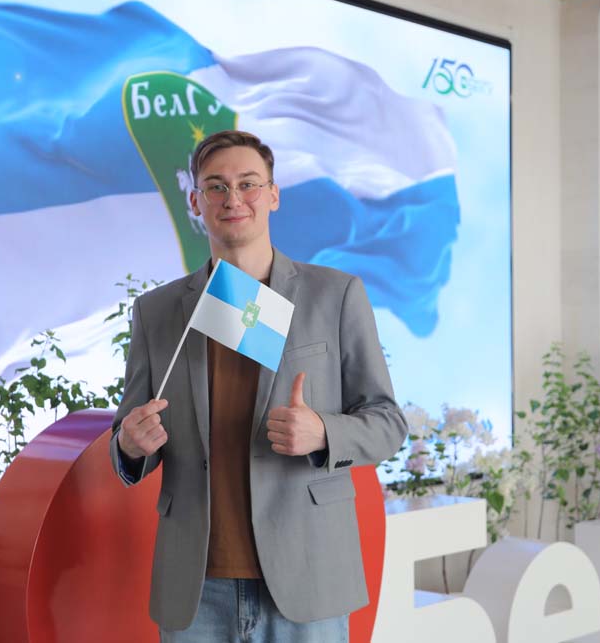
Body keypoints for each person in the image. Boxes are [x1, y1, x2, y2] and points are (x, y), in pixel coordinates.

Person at [109, 130, 406, 642]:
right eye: (216, 186)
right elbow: (129, 433)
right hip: (197, 590)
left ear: (273, 195)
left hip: (306, 578)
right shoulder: (158, 311)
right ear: (195, 202)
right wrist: (131, 445)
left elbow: (387, 423)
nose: (233, 199)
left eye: (248, 183)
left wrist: (323, 433)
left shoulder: (334, 295)